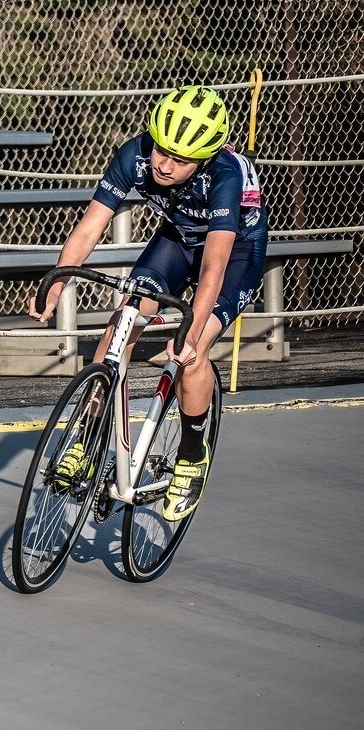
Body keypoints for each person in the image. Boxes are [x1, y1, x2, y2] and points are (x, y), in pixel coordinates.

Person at [32, 86, 266, 522]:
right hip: (178, 239)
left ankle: (193, 454)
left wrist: (191, 331)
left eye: (179, 160)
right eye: (161, 149)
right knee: (123, 317)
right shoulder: (134, 155)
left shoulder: (226, 176)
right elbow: (89, 227)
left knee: (192, 350)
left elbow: (213, 268)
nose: (163, 163)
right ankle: (87, 438)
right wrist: (57, 279)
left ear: (205, 159)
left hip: (234, 253)